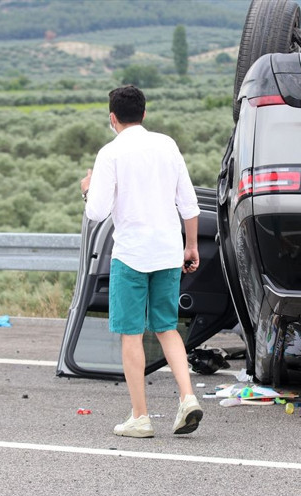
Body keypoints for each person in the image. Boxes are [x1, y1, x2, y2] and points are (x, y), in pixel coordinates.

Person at [80, 85, 203, 438]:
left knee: (131, 335)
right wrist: (190, 245)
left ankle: (140, 417)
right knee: (166, 327)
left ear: (112, 118)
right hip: (167, 251)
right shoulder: (167, 145)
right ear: (144, 114)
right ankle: (188, 396)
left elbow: (98, 211)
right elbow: (189, 203)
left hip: (131, 255)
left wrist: (87, 188)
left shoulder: (110, 153)